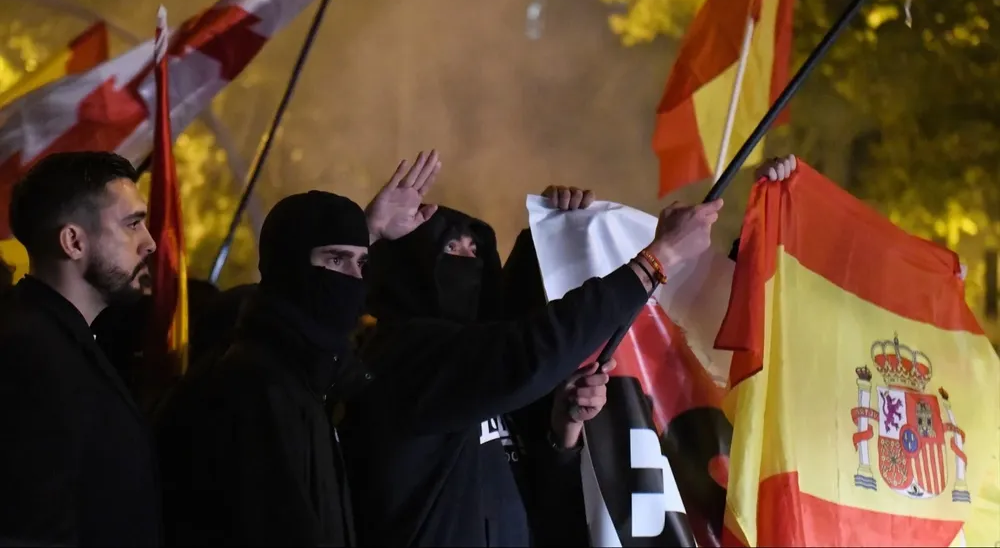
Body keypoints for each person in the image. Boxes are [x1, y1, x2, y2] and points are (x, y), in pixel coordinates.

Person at [341, 184, 723, 547]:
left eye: (476, 249)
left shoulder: (493, 381)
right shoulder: (402, 357)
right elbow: (534, 349)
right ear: (408, 264)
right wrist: (660, 258)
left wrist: (562, 433)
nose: (469, 259)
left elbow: (547, 516)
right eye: (450, 247)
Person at [153, 150, 442, 547]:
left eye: (361, 264)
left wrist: (366, 233)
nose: (352, 279)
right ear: (289, 266)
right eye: (336, 259)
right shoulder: (252, 389)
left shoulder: (306, 380)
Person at [0, 151, 161, 546]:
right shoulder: (29, 352)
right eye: (133, 224)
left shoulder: (57, 337)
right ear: (73, 241)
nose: (151, 243)